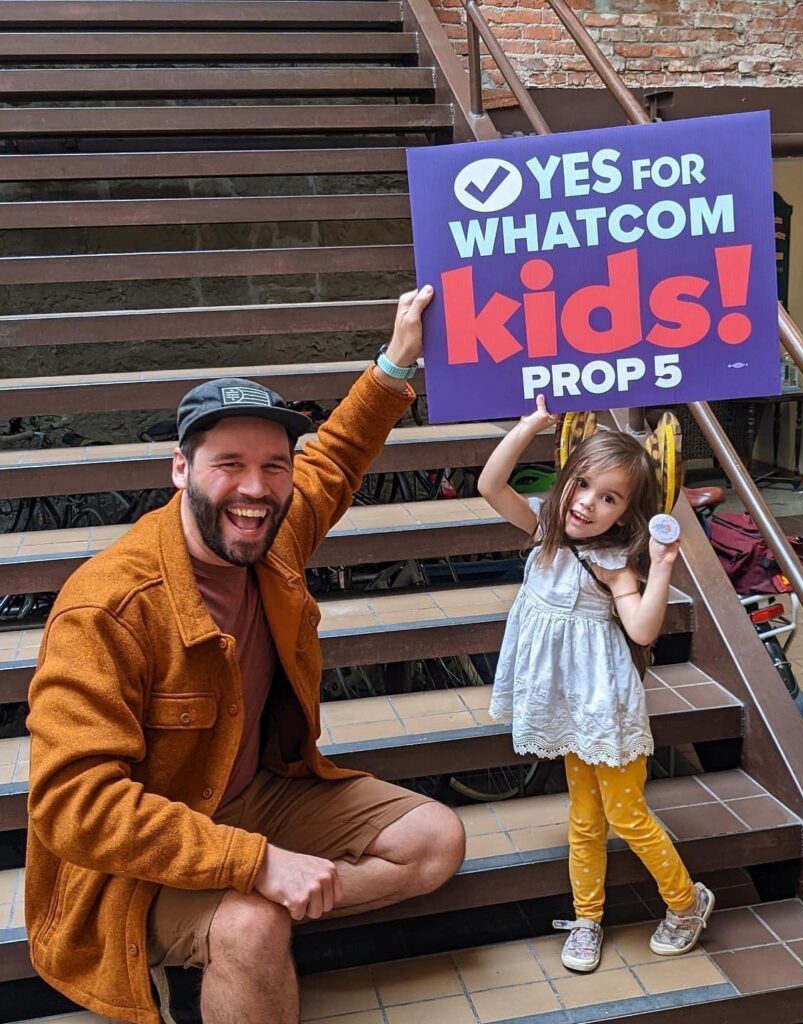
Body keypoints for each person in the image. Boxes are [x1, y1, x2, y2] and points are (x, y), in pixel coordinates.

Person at [25, 286, 466, 1024]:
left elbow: (338, 456)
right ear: (180, 470)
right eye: (229, 464)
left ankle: (254, 922)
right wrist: (256, 867)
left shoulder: (273, 532)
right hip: (134, 865)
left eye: (274, 464)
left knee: (434, 840)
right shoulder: (108, 606)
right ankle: (235, 934)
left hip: (255, 795)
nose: (256, 488)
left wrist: (396, 361)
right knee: (252, 922)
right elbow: (73, 806)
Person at [479, 396, 714, 974]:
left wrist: (660, 567)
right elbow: (490, 484)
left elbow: (642, 627)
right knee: (584, 818)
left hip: (604, 709)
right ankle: (587, 918)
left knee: (627, 813)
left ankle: (688, 903)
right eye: (581, 484)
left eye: (608, 497)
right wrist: (531, 423)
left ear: (626, 511)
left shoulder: (615, 563)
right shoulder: (543, 530)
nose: (587, 503)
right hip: (567, 706)